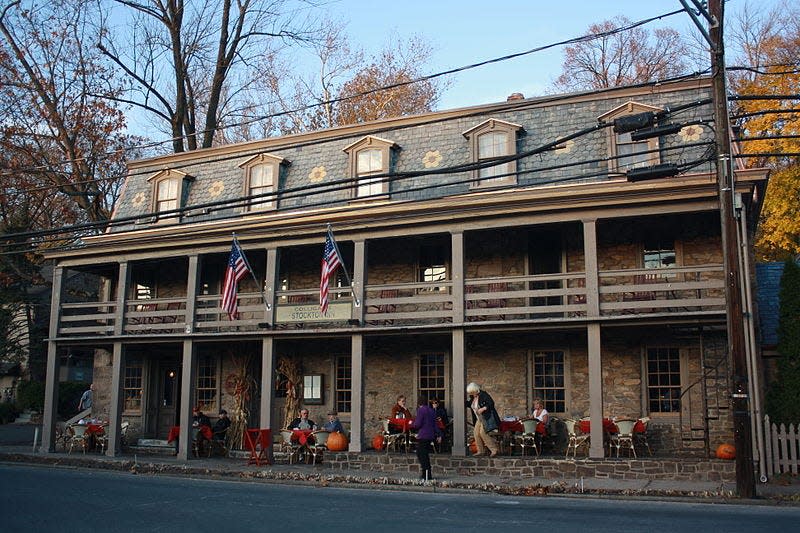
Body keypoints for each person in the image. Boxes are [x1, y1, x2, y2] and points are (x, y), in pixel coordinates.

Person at [466, 382, 500, 457]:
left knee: (483, 433)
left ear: (476, 390)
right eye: (470, 393)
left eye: (472, 392)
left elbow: (491, 403)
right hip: (479, 418)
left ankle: (494, 450)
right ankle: (481, 451)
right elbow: (470, 405)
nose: (471, 394)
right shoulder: (472, 397)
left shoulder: (484, 395)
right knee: (476, 433)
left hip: (486, 417)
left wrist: (483, 408)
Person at [410, 395, 438, 481]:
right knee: (424, 454)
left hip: (423, 435)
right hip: (430, 435)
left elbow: (418, 424)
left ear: (419, 403)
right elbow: (434, 424)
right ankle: (427, 473)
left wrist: (412, 424)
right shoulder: (431, 410)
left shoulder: (421, 410)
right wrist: (439, 434)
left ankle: (426, 474)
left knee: (421, 454)